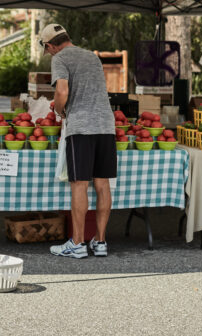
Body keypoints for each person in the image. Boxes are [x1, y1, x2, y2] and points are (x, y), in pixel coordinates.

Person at [44, 23, 117, 259]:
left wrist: (59, 110)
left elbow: (62, 92)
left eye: (47, 49)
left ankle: (77, 243)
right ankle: (101, 241)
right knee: (103, 184)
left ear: (50, 45)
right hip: (106, 124)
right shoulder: (92, 57)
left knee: (79, 184)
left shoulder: (60, 58)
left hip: (81, 126)